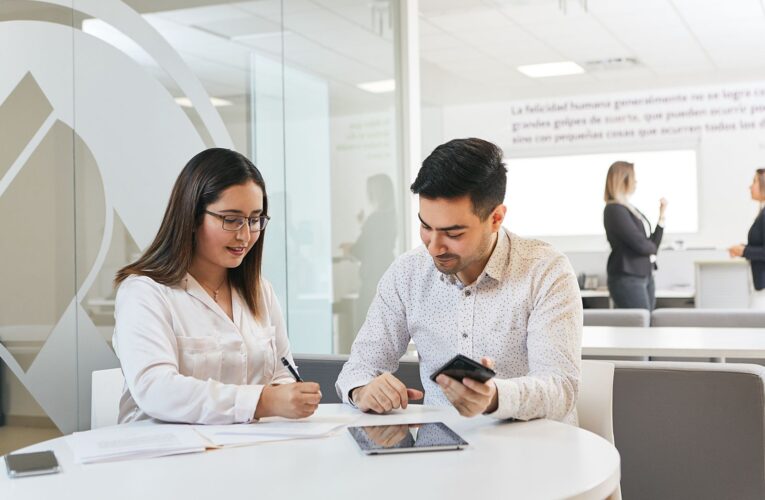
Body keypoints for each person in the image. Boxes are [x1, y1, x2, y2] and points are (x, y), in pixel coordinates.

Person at [335, 138, 582, 423]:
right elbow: (359, 366)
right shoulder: (408, 273)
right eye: (426, 227)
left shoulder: (545, 271)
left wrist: (495, 398)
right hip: (442, 450)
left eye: (453, 234)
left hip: (536, 449)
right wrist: (362, 389)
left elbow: (561, 388)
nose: (434, 247)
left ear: (496, 218)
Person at [113, 148, 321, 424]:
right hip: (163, 455)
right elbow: (155, 389)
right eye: (231, 219)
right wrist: (261, 401)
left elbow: (281, 374)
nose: (245, 235)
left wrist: (291, 395)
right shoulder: (144, 292)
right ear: (191, 217)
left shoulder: (259, 291)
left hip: (243, 451)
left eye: (255, 219)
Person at [603, 161, 667, 310]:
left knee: (648, 322)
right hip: (627, 277)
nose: (636, 181)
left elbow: (652, 246)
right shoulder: (614, 210)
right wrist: (649, 246)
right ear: (623, 179)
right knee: (640, 324)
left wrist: (661, 216)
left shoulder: (630, 209)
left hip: (645, 274)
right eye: (633, 177)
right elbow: (643, 246)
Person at [339, 174, 397, 336]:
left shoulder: (375, 219)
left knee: (365, 329)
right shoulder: (391, 216)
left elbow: (362, 249)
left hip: (371, 279)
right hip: (385, 273)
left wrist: (349, 249)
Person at [728, 168, 765, 309]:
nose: (750, 186)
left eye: (754, 182)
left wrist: (744, 251)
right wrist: (742, 249)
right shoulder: (762, 212)